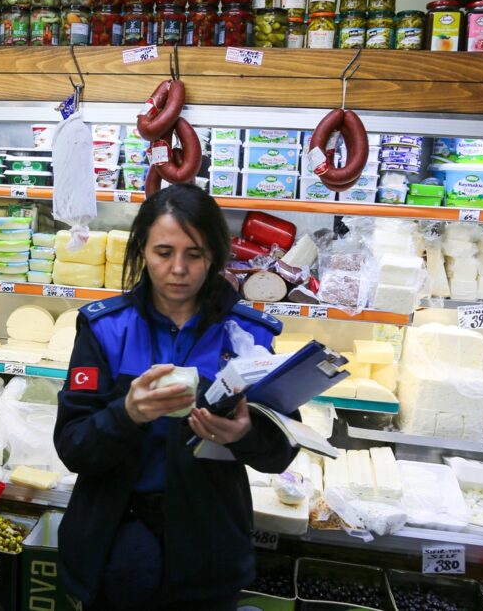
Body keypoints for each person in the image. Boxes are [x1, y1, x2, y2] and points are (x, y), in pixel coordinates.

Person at [53, 184, 300, 610]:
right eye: (164, 252)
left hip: (209, 550)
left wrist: (244, 434)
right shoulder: (104, 328)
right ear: (142, 251)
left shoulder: (248, 336)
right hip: (116, 547)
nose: (178, 269)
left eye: (195, 254)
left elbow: (281, 451)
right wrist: (126, 414)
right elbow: (74, 447)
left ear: (214, 256)